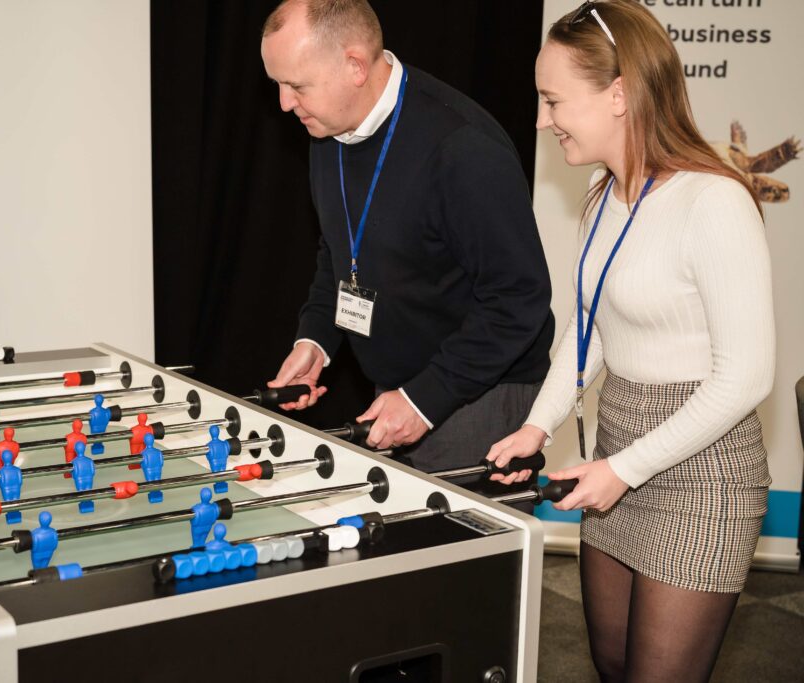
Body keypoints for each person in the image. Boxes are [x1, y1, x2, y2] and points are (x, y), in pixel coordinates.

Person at [485, 1, 775, 679]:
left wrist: (624, 469)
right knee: (612, 665)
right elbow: (591, 337)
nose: (540, 119)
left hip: (703, 475)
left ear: (618, 94)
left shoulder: (715, 201)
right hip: (616, 448)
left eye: (553, 99)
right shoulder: (601, 191)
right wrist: (537, 425)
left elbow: (747, 377)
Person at [260, 0, 555, 483]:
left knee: (456, 556)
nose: (284, 104)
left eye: (297, 85)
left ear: (354, 65)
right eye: (277, 85)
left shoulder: (463, 147)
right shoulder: (326, 130)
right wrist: (318, 338)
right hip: (400, 387)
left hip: (478, 393)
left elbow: (518, 299)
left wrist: (425, 398)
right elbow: (340, 248)